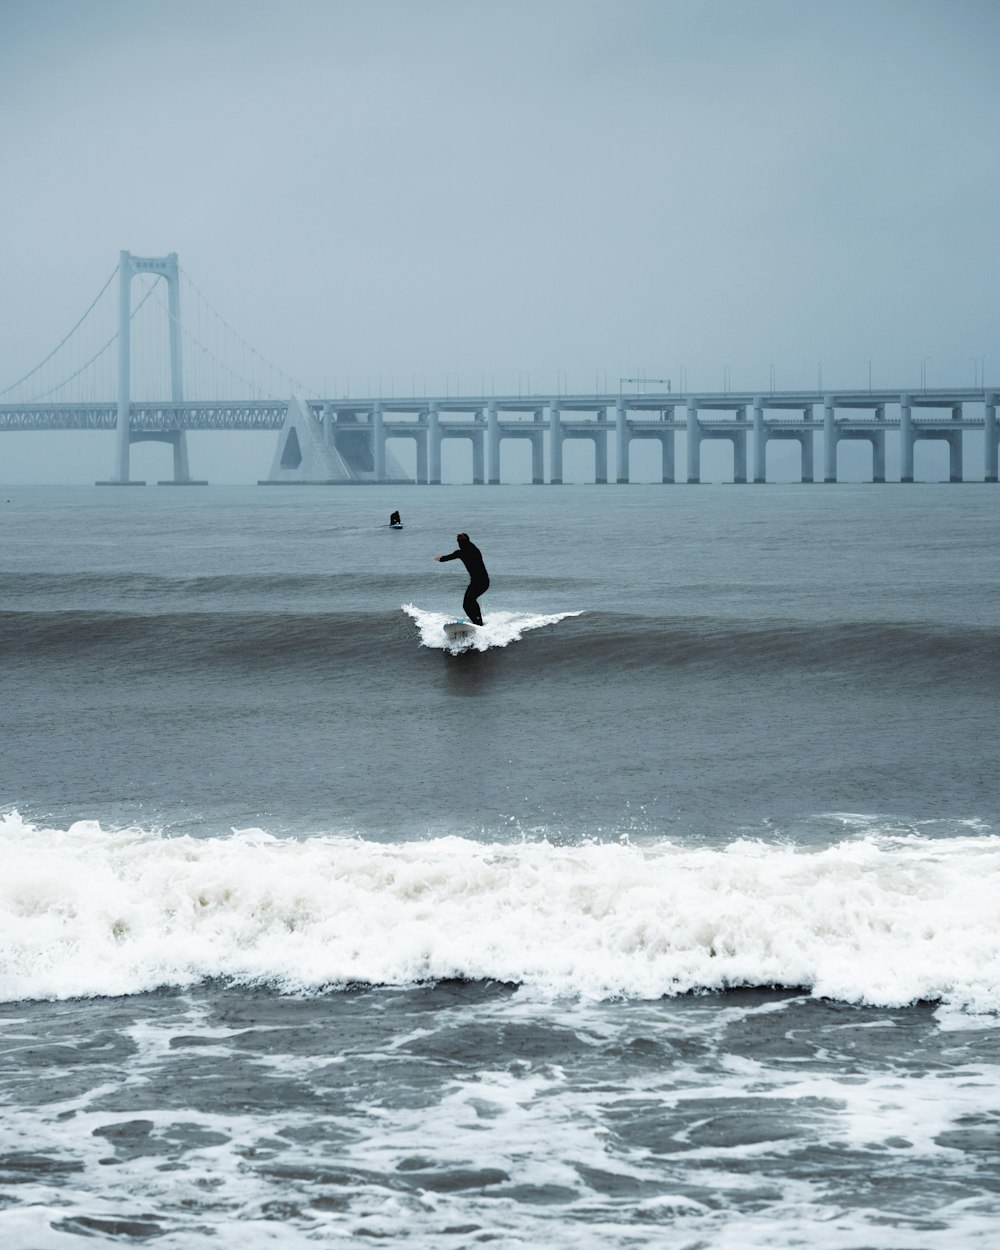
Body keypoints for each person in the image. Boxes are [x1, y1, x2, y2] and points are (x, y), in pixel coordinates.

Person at [435, 532, 489, 626]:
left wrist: (441, 558)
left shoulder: (474, 550)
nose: (460, 543)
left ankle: (479, 622)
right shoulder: (461, 553)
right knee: (466, 605)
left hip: (483, 581)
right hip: (475, 582)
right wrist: (441, 559)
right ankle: (476, 622)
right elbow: (448, 557)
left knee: (470, 600)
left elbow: (466, 544)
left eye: (461, 541)